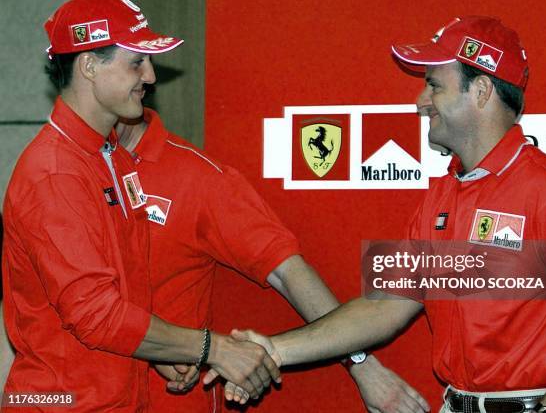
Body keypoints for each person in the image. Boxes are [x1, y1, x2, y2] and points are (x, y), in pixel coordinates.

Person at [224, 16, 546, 413]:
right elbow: (383, 306)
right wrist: (275, 349)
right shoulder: (444, 194)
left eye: (434, 85)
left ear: (480, 91)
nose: (420, 101)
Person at [1, 0, 279, 412]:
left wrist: (157, 350)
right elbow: (96, 315)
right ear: (89, 66)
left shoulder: (107, 154)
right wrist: (211, 348)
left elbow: (122, 287)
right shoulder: (55, 173)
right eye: (136, 62)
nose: (150, 76)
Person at [110, 107, 429, 411]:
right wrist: (169, 348)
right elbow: (86, 302)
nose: (422, 102)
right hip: (77, 393)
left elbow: (378, 302)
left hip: (165, 401)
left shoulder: (198, 178)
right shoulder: (69, 168)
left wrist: (361, 364)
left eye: (435, 85)